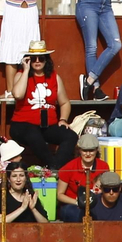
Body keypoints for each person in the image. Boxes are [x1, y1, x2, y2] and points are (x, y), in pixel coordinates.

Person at [8, 41, 76, 170]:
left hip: (47, 125)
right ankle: (52, 165)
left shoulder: (54, 77)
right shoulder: (21, 75)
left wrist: (63, 119)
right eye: (33, 59)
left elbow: (65, 102)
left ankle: (55, 167)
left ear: (47, 60)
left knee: (70, 136)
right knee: (33, 134)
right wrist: (26, 70)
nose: (37, 61)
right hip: (22, 124)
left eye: (41, 58)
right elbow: (18, 94)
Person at [55, 135, 108, 221]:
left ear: (96, 150)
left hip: (95, 203)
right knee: (75, 213)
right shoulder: (68, 168)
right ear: (79, 150)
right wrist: (78, 202)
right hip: (73, 205)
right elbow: (60, 195)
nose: (88, 154)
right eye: (84, 150)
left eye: (91, 150)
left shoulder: (103, 166)